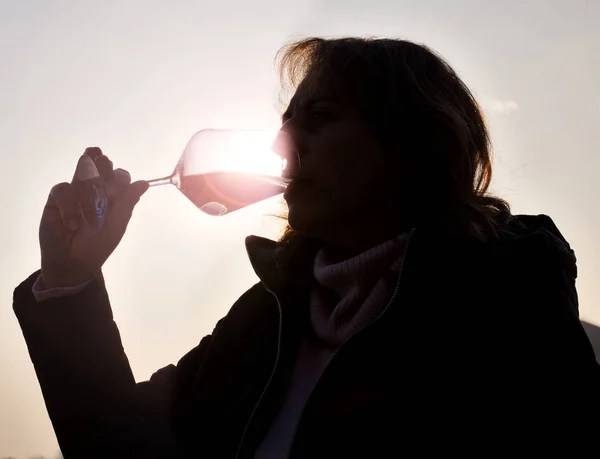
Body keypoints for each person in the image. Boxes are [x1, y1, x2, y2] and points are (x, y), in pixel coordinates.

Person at [13, 37, 600, 458]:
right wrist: (69, 278)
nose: (281, 142)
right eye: (287, 120)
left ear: (412, 145)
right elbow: (125, 446)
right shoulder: (267, 317)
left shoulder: (505, 305)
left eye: (319, 117)